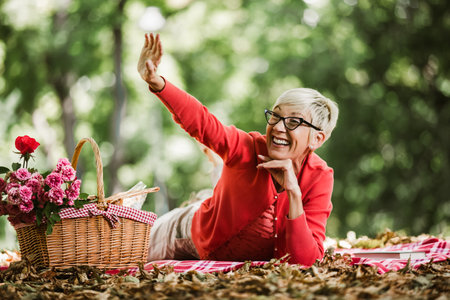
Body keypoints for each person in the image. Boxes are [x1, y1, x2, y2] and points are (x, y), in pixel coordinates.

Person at [138, 33, 339, 266]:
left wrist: (293, 192)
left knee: (221, 191)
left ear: (317, 139)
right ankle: (212, 182)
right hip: (185, 232)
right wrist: (157, 83)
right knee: (130, 253)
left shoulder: (319, 177)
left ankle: (215, 176)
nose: (278, 128)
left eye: (294, 122)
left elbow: (305, 261)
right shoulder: (248, 147)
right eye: (275, 116)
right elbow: (204, 123)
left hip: (231, 245)